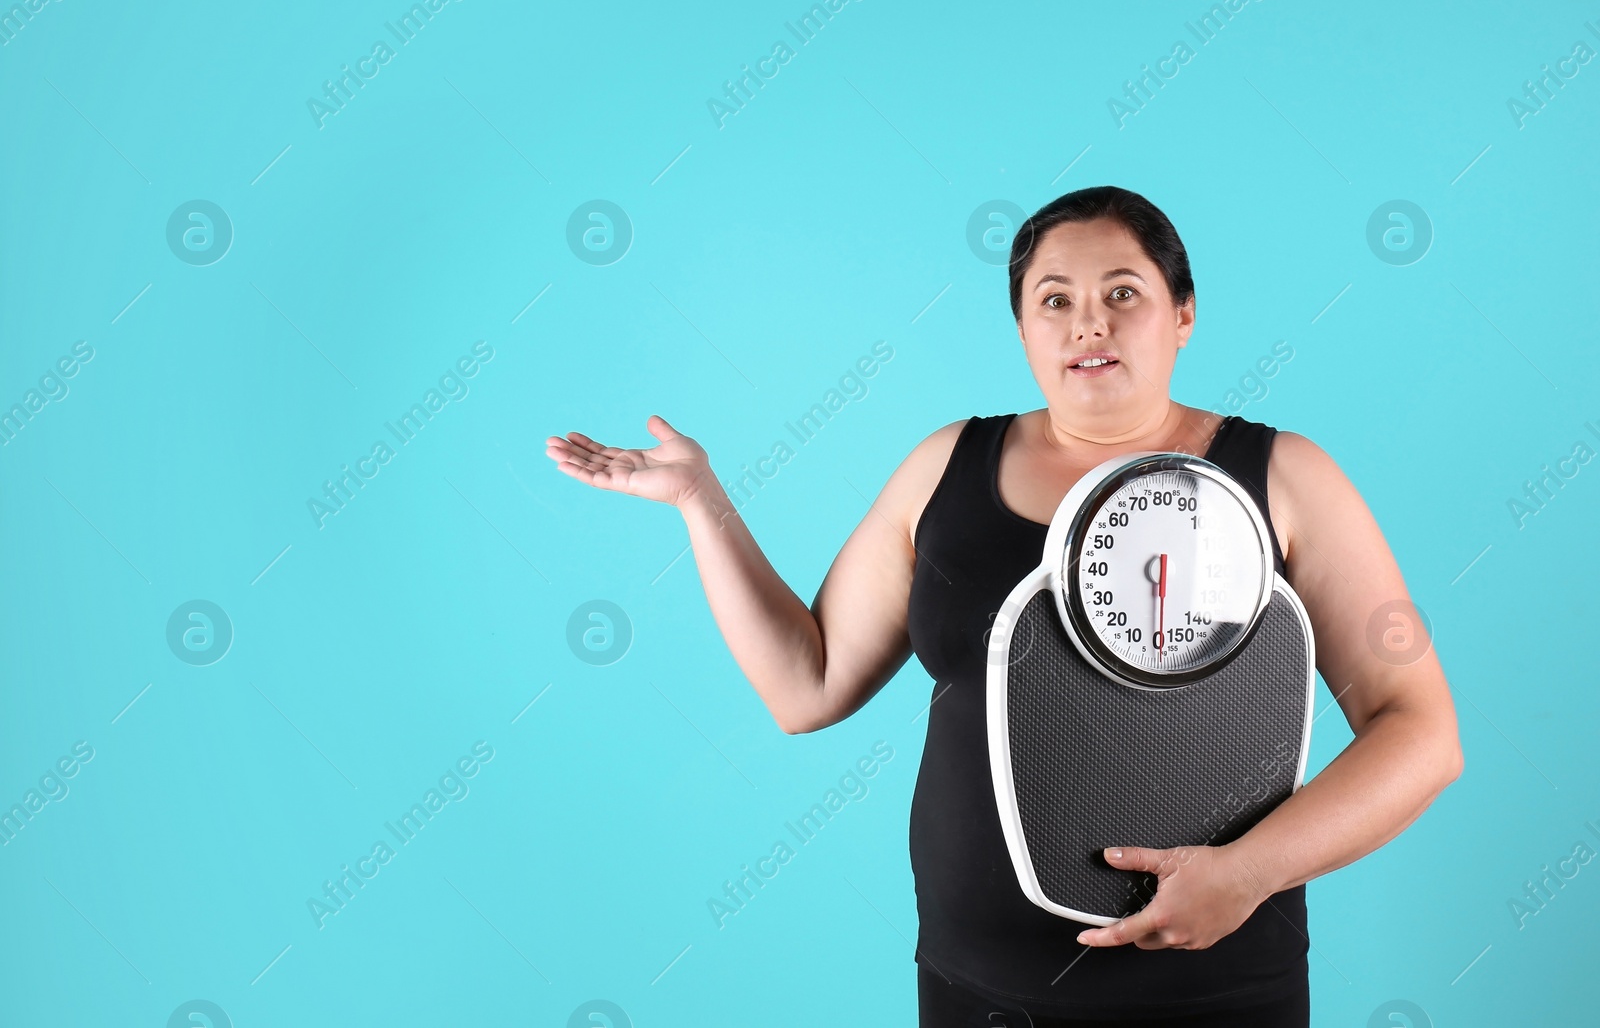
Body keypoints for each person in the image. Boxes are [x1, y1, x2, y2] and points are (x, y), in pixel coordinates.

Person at [546, 185, 1464, 1026]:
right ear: (1023, 328)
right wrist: (701, 501)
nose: (1087, 322)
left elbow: (1420, 732)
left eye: (1123, 292)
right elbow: (807, 684)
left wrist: (1247, 874)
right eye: (1054, 299)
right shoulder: (946, 466)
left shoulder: (1280, 479)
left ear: (1183, 314)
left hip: (1213, 988)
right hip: (974, 987)